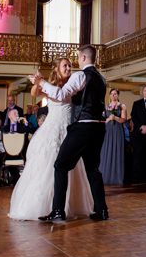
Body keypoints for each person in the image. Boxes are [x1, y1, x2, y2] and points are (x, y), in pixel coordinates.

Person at [8, 58, 92, 219]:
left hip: (67, 129)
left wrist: (42, 81)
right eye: (65, 66)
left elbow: (63, 96)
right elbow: (34, 93)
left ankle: (66, 204)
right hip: (52, 129)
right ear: (57, 69)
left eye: (69, 66)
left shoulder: (73, 85)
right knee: (47, 163)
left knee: (68, 166)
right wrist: (38, 82)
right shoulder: (52, 86)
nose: (68, 68)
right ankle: (43, 205)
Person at [38, 45, 110, 223]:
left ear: (84, 58)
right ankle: (101, 210)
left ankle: (57, 211)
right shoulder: (102, 78)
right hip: (99, 127)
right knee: (93, 169)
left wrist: (41, 83)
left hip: (83, 127)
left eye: (78, 57)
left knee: (60, 165)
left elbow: (62, 94)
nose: (77, 60)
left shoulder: (80, 75)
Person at [99, 89, 127, 186]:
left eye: (115, 94)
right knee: (106, 151)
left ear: (118, 95)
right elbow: (102, 120)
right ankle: (105, 176)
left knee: (117, 151)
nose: (113, 95)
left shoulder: (122, 106)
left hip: (117, 131)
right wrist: (108, 119)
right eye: (111, 94)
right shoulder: (106, 106)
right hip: (107, 131)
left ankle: (117, 177)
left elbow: (124, 120)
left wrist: (115, 118)